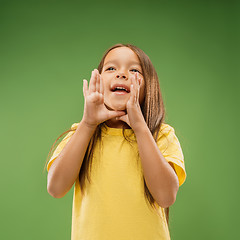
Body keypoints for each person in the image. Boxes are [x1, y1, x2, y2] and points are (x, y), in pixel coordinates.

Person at [45, 43, 186, 240]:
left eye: (134, 70)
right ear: (99, 81)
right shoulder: (81, 133)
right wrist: (88, 123)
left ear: (149, 86)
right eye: (111, 68)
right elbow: (56, 187)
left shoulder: (161, 135)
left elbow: (166, 196)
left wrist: (140, 128)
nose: (121, 74)